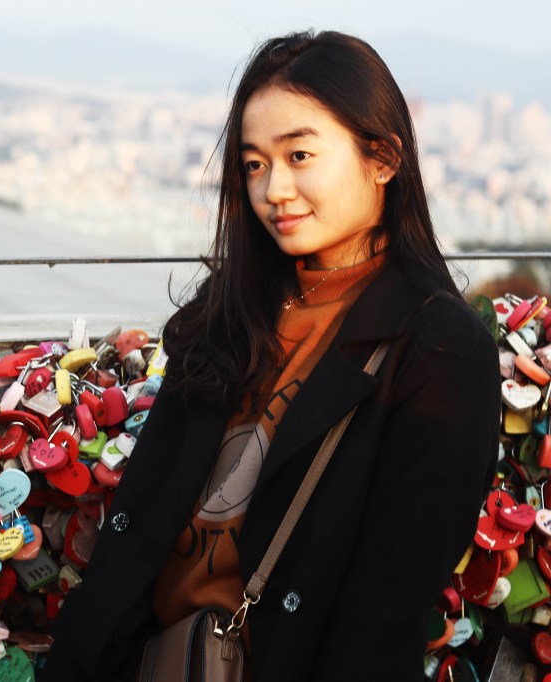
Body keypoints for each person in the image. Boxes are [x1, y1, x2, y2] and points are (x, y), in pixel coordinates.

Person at [42, 30, 500, 681]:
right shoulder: (233, 306)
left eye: (299, 155)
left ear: (383, 158)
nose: (274, 190)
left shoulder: (438, 350)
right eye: (255, 164)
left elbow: (382, 613)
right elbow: (141, 520)